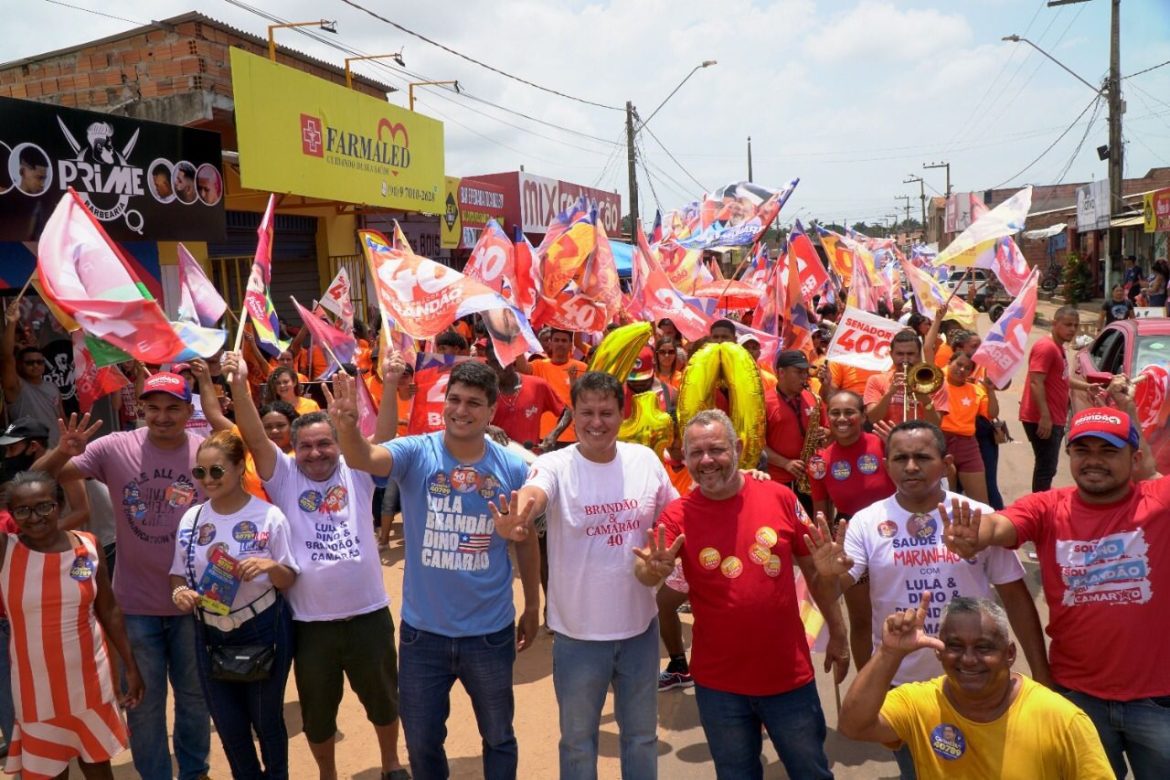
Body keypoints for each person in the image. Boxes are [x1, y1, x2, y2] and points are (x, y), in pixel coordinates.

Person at [331, 359, 539, 780]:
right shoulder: (415, 452)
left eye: (474, 404)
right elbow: (363, 457)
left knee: (498, 736)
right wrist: (349, 427)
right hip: (423, 635)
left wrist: (533, 605)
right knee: (423, 743)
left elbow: (527, 536)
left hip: (490, 634)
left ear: (492, 411)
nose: (461, 410)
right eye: (455, 400)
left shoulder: (513, 467)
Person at [806, 419, 1049, 778]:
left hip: (977, 677)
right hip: (906, 688)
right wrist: (824, 576)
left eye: (922, 456)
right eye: (900, 458)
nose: (911, 467)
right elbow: (835, 588)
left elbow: (1015, 598)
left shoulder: (975, 516)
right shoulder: (865, 522)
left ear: (946, 463)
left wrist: (1042, 676)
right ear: (886, 464)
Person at [941, 404, 1168, 778]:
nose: (1094, 461)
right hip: (1078, 699)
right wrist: (975, 536)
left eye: (1108, 451)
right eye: (1083, 450)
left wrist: (1131, 405)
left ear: (1136, 457)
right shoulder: (1048, 507)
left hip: (1159, 703)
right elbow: (1000, 526)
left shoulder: (1160, 502)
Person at [222, 350, 409, 780]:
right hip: (309, 624)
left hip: (369, 616)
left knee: (384, 700)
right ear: (293, 448)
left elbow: (384, 436)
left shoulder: (356, 469)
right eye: (305, 445)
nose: (316, 452)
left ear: (338, 445)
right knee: (318, 713)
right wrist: (239, 384)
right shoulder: (283, 475)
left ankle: (391, 763)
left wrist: (392, 383)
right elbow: (252, 435)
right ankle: (327, 774)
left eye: (325, 443)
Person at [495, 371, 677, 780]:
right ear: (572, 416)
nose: (597, 422)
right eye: (587, 413)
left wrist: (742, 481)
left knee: (641, 738)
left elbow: (680, 512)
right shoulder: (555, 464)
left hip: (638, 631)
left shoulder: (644, 460)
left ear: (622, 413)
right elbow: (535, 492)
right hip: (578, 637)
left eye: (606, 413)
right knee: (577, 743)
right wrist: (521, 513)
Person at [32, 375, 212, 780]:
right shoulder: (114, 447)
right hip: (135, 607)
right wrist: (62, 453)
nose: (162, 417)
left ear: (188, 411)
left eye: (173, 408)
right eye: (154, 408)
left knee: (194, 698)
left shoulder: (206, 454)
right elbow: (38, 482)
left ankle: (195, 770)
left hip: (192, 604)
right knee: (143, 703)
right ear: (142, 409)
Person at [648, 409, 845, 779]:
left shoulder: (780, 498)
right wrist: (650, 570)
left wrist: (839, 632)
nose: (706, 461)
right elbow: (647, 571)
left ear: (738, 448)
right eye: (696, 453)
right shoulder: (677, 515)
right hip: (718, 685)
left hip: (788, 677)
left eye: (717, 449)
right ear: (685, 458)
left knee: (810, 771)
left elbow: (817, 573)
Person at [838, 595, 1112, 780]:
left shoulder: (1063, 720)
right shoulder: (918, 702)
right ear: (938, 652)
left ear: (1009, 653)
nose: (968, 659)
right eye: (955, 646)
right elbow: (854, 725)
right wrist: (889, 652)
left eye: (983, 647)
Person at [169, 430, 299, 780]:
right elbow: (178, 574)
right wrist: (179, 594)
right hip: (209, 632)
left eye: (216, 471)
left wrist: (272, 567)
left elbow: (289, 577)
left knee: (266, 720)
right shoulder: (191, 519)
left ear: (240, 467)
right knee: (229, 726)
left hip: (262, 627)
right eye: (200, 472)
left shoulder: (268, 516)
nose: (207, 480)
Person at [0, 470, 144, 779]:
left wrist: (130, 667)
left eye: (44, 506)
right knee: (47, 771)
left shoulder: (88, 546)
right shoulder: (6, 551)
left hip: (91, 680)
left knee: (97, 765)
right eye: (22, 510)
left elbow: (109, 610)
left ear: (60, 505)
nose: (35, 517)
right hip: (34, 687)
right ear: (11, 515)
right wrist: (61, 451)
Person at [809, 390, 895, 669]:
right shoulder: (820, 461)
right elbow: (821, 512)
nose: (842, 418)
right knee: (861, 618)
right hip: (851, 541)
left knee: (898, 610)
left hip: (893, 535)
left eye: (850, 412)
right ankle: (867, 682)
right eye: (835, 412)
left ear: (863, 415)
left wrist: (896, 448)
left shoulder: (884, 446)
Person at [1020, 305, 1095, 493]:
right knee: (1046, 468)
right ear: (1055, 324)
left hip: (1054, 417)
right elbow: (1036, 382)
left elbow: (1062, 379)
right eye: (1067, 324)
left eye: (1075, 325)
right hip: (1044, 418)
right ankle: (1039, 509)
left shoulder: (1058, 347)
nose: (1072, 329)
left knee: (1047, 467)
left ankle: (1041, 501)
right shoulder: (1046, 347)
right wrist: (1045, 417)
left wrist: (1087, 387)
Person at [763, 350, 826, 513]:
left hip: (809, 476)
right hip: (779, 478)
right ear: (781, 372)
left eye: (806, 372)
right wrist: (785, 463)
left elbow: (827, 429)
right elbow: (757, 446)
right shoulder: (764, 402)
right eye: (798, 372)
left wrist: (824, 433)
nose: (804, 377)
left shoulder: (813, 398)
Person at [484, 340, 570, 452]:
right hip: (495, 461)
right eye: (495, 362)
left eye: (504, 360)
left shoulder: (538, 385)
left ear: (513, 360)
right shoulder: (482, 390)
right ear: (488, 364)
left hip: (529, 461)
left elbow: (567, 412)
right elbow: (466, 422)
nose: (500, 367)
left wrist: (553, 435)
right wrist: (487, 428)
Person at [936, 352, 996, 505]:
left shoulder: (976, 390)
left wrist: (990, 391)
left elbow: (992, 414)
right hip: (941, 442)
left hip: (968, 445)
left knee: (981, 504)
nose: (962, 370)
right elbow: (928, 349)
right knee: (945, 500)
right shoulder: (936, 383)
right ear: (949, 362)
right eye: (959, 364)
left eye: (967, 368)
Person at [2, 300, 64, 446]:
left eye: (39, 362)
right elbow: (6, 358)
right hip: (31, 456)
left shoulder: (52, 387)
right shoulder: (16, 388)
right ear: (20, 366)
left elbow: (61, 418)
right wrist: (11, 322)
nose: (35, 365)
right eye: (30, 363)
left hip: (57, 452)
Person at [520, 328, 586, 446]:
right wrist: (516, 338)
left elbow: (584, 400)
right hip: (543, 435)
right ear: (550, 343)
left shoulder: (582, 368)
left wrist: (573, 381)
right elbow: (521, 368)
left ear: (571, 345)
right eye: (556, 340)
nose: (560, 343)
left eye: (564, 340)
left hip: (572, 436)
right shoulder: (539, 365)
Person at [864, 329, 942, 426]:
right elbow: (872, 419)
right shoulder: (876, 380)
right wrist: (889, 393)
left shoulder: (933, 382)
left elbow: (935, 424)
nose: (905, 359)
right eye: (900, 354)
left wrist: (926, 401)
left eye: (910, 354)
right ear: (891, 355)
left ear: (919, 355)